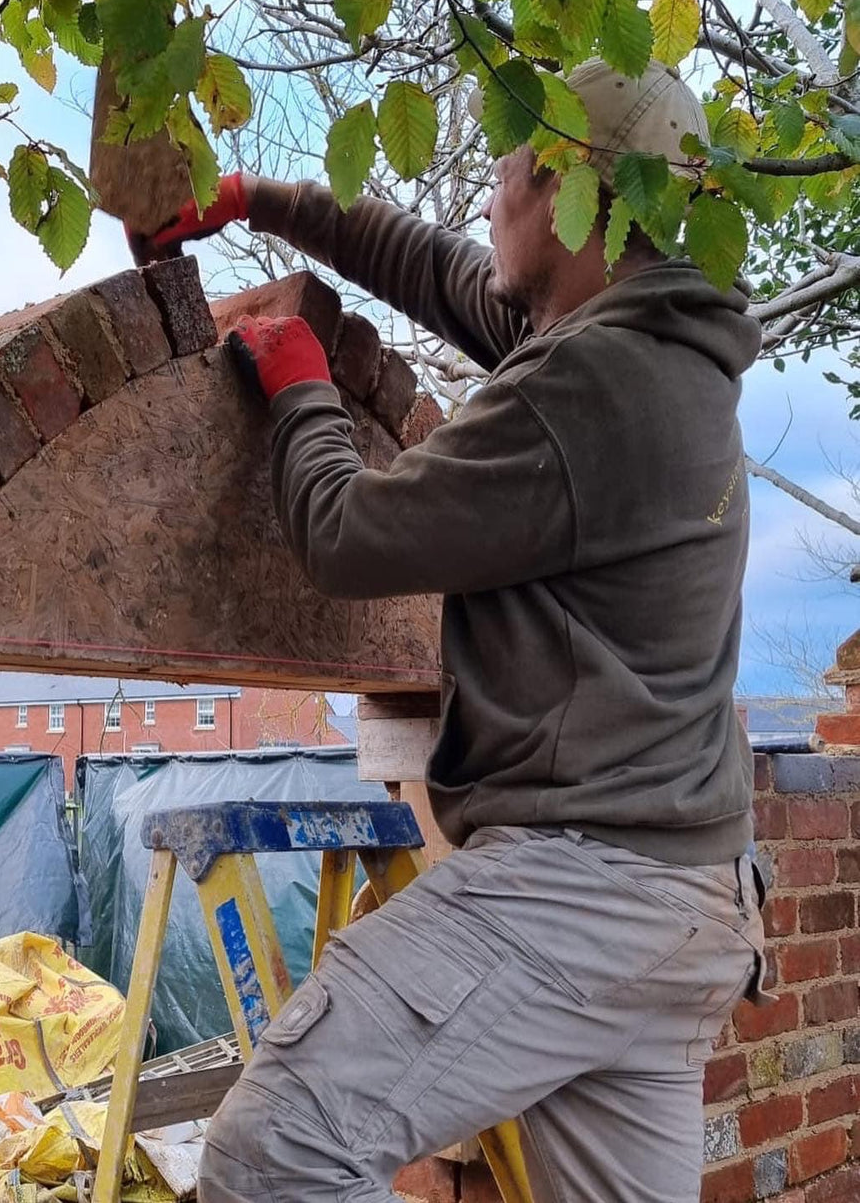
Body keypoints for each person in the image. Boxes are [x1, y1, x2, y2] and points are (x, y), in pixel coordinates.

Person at [147, 60, 767, 1203]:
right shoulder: (652, 346)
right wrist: (262, 199)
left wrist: (298, 386)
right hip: (688, 893)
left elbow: (346, 537)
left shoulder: (588, 386)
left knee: (268, 1147)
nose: (485, 203)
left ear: (570, 186)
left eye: (502, 175)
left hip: (581, 889)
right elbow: (442, 273)